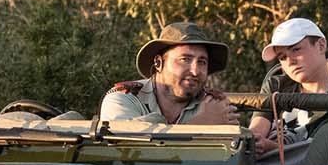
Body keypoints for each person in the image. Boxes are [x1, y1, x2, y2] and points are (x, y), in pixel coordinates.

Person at [248, 17, 328, 154]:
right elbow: (256, 131)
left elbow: (318, 157)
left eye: (296, 49)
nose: (289, 61)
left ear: (321, 45)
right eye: (282, 57)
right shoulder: (276, 85)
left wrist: (272, 148)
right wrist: (254, 141)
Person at [99, 21, 240, 125]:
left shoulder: (213, 105)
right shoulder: (123, 99)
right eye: (185, 59)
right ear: (158, 63)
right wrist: (198, 126)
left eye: (202, 62)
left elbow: (234, 155)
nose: (195, 71)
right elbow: (129, 152)